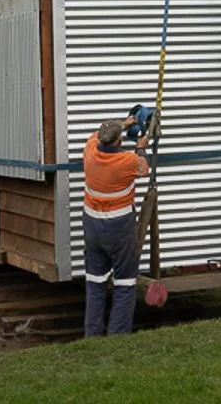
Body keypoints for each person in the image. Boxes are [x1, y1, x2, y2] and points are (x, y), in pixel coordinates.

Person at [82, 116, 150, 336]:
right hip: (119, 228)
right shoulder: (128, 161)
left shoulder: (89, 152)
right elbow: (144, 169)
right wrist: (141, 147)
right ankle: (117, 336)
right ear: (120, 141)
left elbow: (95, 136)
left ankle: (92, 335)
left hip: (92, 226)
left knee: (95, 281)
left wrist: (123, 123)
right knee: (125, 282)